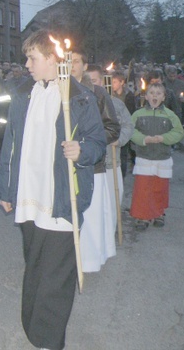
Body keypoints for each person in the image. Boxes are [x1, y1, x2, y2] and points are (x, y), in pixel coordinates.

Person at [0, 30, 106, 350]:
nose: (27, 64)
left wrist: (81, 151)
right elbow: (10, 146)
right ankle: (33, 328)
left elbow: (97, 143)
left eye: (32, 57)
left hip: (61, 199)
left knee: (56, 278)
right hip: (30, 199)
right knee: (35, 266)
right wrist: (6, 189)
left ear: (51, 58)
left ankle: (49, 338)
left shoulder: (79, 97)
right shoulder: (22, 95)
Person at [70, 55, 120, 275]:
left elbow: (112, 128)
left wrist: (86, 146)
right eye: (67, 60)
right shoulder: (56, 92)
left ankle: (89, 260)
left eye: (76, 61)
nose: (71, 65)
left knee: (90, 218)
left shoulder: (97, 94)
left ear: (84, 66)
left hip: (92, 166)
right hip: (63, 167)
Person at [85, 65, 133, 272]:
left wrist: (118, 141)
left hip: (110, 163)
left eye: (95, 81)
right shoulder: (81, 102)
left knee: (112, 203)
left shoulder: (115, 104)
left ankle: (109, 236)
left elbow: (127, 126)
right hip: (93, 165)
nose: (92, 84)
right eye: (90, 81)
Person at [130, 82, 184, 230]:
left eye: (158, 93)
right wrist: (143, 139)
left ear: (164, 97)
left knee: (159, 188)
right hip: (144, 158)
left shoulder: (170, 115)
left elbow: (178, 132)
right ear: (146, 96)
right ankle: (142, 216)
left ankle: (159, 213)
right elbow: (130, 131)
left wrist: (164, 138)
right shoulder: (138, 114)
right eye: (152, 93)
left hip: (162, 158)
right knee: (142, 189)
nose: (155, 95)